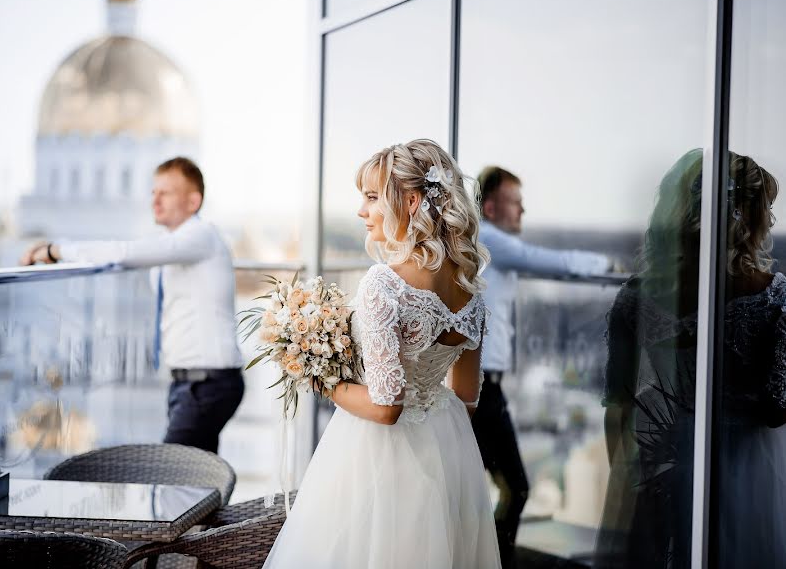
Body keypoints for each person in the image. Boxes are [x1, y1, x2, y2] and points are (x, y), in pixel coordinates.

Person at [262, 140, 501, 568]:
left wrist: (319, 377)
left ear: (411, 201)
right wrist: (431, 428)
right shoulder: (472, 293)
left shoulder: (384, 285)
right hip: (447, 451)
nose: (361, 210)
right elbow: (466, 396)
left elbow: (386, 408)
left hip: (376, 454)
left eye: (372, 197)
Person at [596, 150, 786, 568]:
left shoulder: (637, 295)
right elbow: (777, 407)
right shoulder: (775, 295)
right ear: (747, 218)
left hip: (666, 458)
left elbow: (618, 406)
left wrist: (629, 484)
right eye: (765, 210)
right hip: (747, 469)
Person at [20, 156, 244, 454]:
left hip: (207, 384)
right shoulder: (177, 242)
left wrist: (56, 250)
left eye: (166, 193)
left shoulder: (200, 236)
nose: (155, 200)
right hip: (188, 382)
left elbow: (125, 252)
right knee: (197, 478)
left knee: (174, 473)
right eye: (153, 192)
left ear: (193, 201)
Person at [473, 165, 613, 568]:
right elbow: (543, 260)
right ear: (491, 206)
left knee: (479, 488)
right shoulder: (488, 238)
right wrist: (604, 263)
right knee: (515, 488)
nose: (524, 210)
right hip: (482, 389)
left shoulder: (483, 242)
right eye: (516, 202)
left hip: (484, 385)